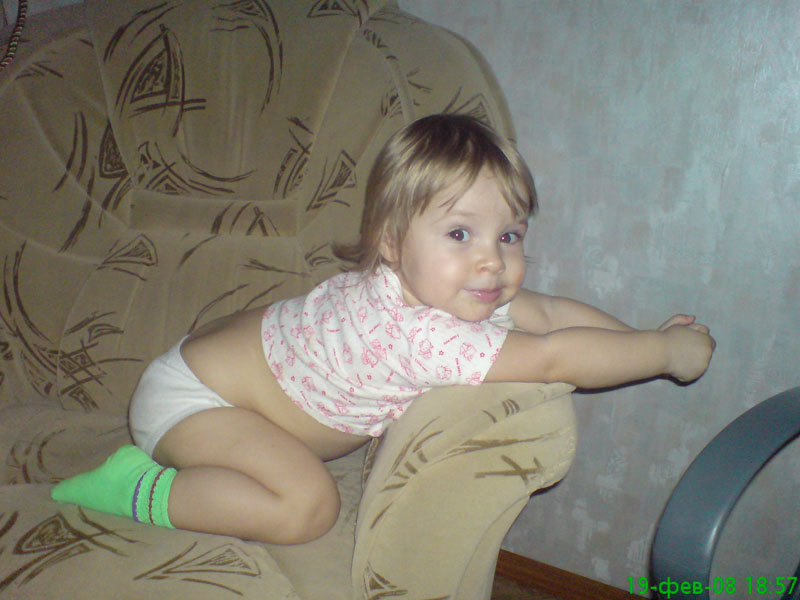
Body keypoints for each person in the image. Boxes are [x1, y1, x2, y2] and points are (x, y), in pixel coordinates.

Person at [51, 114, 715, 544]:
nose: (492, 259)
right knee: (307, 508)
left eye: (509, 235)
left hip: (220, 372)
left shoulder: (445, 288)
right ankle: (135, 486)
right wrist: (662, 353)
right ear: (392, 243)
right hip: (190, 402)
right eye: (460, 233)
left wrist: (637, 334)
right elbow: (553, 357)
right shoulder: (423, 333)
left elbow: (551, 315)